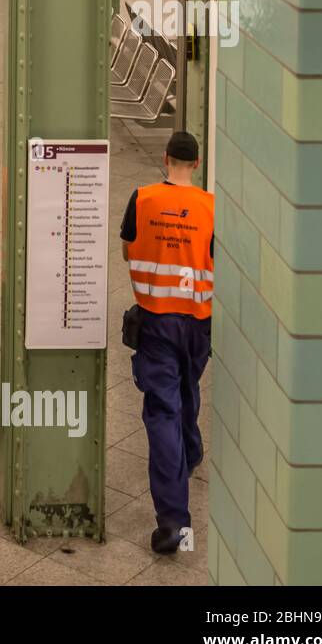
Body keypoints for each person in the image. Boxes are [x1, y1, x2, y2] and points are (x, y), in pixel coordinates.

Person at [120, 130, 214, 555]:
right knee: (185, 388)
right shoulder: (212, 208)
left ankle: (174, 520)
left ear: (166, 159)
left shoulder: (142, 198)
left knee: (163, 411)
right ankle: (190, 451)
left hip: (157, 320)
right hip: (197, 323)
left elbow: (127, 250)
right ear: (196, 164)